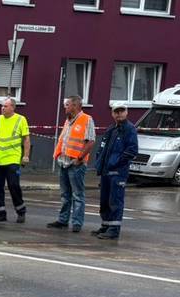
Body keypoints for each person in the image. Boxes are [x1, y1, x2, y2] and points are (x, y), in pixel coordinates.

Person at [47, 96, 95, 233]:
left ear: (75, 106)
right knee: (65, 194)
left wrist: (79, 158)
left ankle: (77, 223)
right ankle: (63, 220)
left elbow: (90, 141)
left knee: (77, 195)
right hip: (63, 162)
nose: (65, 107)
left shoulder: (87, 119)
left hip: (76, 164)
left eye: (67, 105)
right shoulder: (68, 121)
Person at [92, 103, 138, 240]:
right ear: (112, 113)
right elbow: (103, 148)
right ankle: (106, 225)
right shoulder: (111, 129)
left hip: (118, 172)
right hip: (106, 171)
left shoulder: (129, 129)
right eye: (116, 111)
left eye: (121, 111)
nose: (119, 114)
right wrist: (100, 162)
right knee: (105, 201)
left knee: (115, 201)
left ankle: (114, 229)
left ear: (126, 112)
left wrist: (117, 163)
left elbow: (132, 151)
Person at [0, 97, 31, 223]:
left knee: (13, 185)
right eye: (2, 106)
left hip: (13, 158)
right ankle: (0, 213)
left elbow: (26, 139)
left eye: (5, 106)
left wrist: (26, 156)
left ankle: (21, 211)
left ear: (12, 107)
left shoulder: (20, 119)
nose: (2, 108)